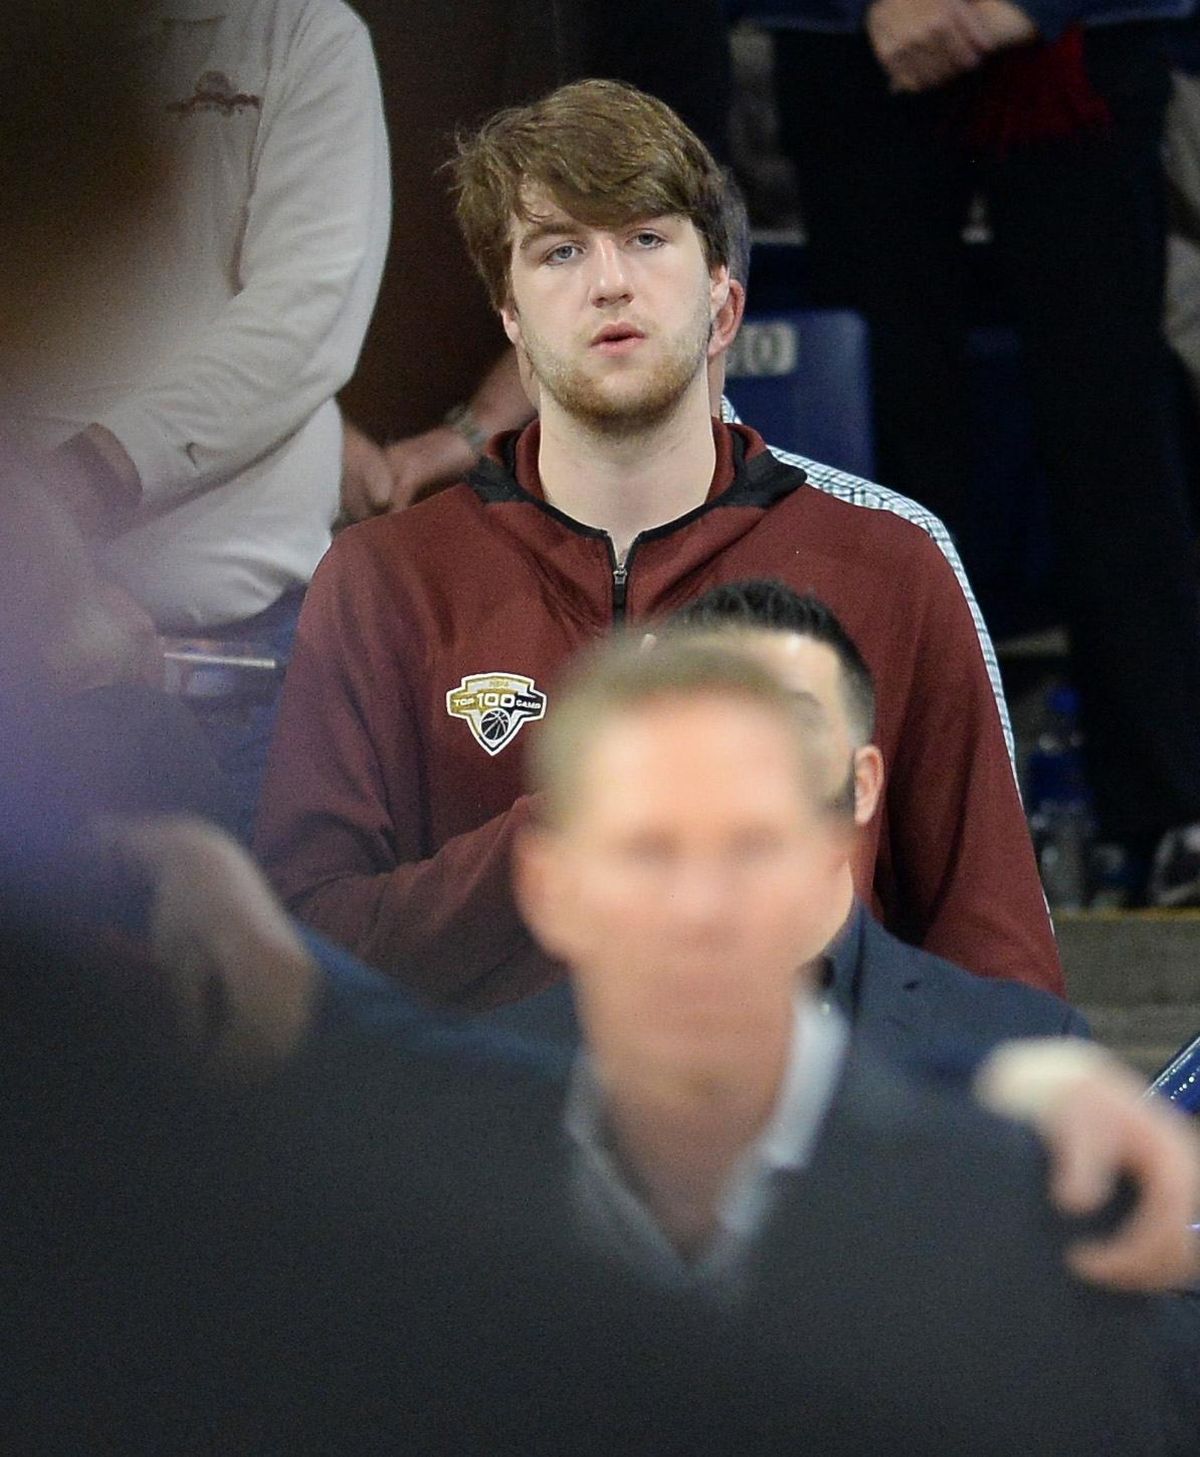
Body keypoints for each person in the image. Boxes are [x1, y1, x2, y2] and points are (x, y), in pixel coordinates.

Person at [256, 78, 1062, 1007]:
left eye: (645, 237)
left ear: (723, 305)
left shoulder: (890, 565)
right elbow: (303, 962)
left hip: (812, 1139)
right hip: (477, 1137)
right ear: (512, 324)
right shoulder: (382, 579)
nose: (608, 281)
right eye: (559, 251)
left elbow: (1003, 978)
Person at [511, 633, 1178, 1453]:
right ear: (549, 884)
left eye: (751, 846)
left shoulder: (1007, 1203)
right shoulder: (433, 1179)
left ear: (830, 857)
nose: (700, 907)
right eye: (647, 849)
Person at [745, 0, 1200, 904]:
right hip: (851, 39)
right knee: (887, 457)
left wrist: (1011, 8)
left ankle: (1169, 818)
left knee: (1112, 424)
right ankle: (905, 821)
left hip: (1075, 42)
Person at [12, 0, 390, 841]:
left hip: (247, 668)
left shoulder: (303, 31)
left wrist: (72, 492)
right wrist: (40, 562)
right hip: (25, 662)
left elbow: (305, 313)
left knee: (255, 956)